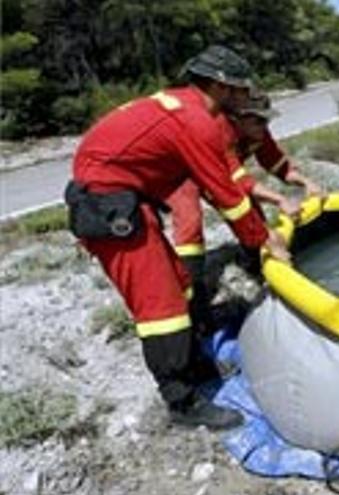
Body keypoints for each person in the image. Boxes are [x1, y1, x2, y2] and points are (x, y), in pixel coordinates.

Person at [64, 45, 290, 431]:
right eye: (240, 90)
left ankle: (196, 364)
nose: (244, 98)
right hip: (109, 207)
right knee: (161, 306)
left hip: (125, 199)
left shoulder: (183, 107)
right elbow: (227, 196)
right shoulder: (195, 121)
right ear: (220, 86)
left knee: (182, 283)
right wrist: (265, 240)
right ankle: (181, 403)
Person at [167, 91, 322, 330]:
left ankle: (260, 269)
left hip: (218, 175)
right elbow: (239, 183)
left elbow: (277, 164)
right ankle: (190, 300)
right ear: (238, 118)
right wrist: (280, 199)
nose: (265, 126)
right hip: (183, 172)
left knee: (254, 221)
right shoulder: (218, 130)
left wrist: (305, 182)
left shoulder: (258, 132)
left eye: (267, 120)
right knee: (190, 226)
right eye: (259, 121)